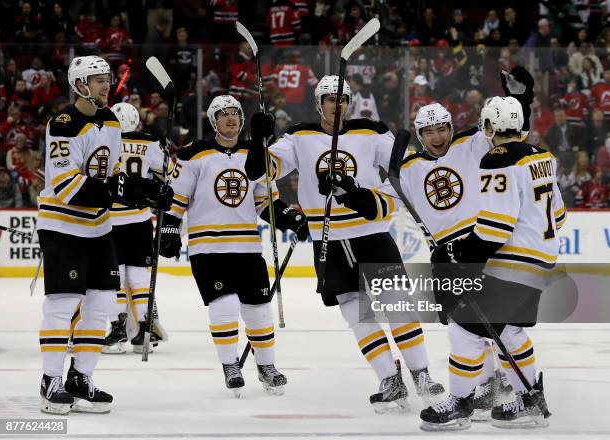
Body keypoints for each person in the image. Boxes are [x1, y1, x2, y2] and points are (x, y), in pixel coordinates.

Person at [319, 67, 535, 422]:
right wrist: (349, 192)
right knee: (461, 325)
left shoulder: (474, 142)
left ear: (452, 127)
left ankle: (516, 391)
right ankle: (486, 387)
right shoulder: (409, 168)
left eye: (442, 129)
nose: (437, 137)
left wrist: (521, 99)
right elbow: (379, 204)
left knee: (495, 324)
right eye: (429, 131)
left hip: (482, 247)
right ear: (419, 134)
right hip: (445, 255)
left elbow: (509, 133)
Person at [244, 75, 444, 413]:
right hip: (330, 241)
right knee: (356, 314)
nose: (338, 105)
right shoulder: (299, 136)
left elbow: (405, 172)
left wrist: (366, 197)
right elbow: (258, 172)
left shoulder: (372, 131)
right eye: (330, 99)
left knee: (398, 306)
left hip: (372, 235)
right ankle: (388, 378)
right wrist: (258, 140)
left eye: (343, 99)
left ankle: (421, 374)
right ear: (319, 103)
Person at [37, 55, 171, 415]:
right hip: (63, 225)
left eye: (107, 79)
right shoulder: (63, 124)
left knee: (100, 307)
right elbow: (68, 186)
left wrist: (147, 189)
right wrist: (124, 190)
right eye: (98, 79)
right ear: (79, 84)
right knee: (63, 303)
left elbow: (110, 175)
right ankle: (50, 380)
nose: (105, 85)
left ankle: (81, 378)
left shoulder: (111, 121)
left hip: (99, 227)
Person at [427, 96, 564, 429]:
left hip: (513, 261)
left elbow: (495, 229)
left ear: (488, 127)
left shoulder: (496, 159)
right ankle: (529, 399)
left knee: (463, 323)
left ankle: (459, 402)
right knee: (508, 329)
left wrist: (458, 252)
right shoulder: (542, 156)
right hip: (541, 258)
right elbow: (558, 215)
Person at [159, 95, 307, 397]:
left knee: (259, 311)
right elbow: (175, 200)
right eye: (224, 115)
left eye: (236, 114)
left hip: (247, 248)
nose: (231, 119)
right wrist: (169, 230)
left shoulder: (255, 156)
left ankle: (267, 367)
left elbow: (266, 203)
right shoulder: (194, 154)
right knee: (224, 306)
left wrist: (291, 219)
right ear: (214, 121)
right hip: (207, 249)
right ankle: (230, 365)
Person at [102, 102, 171, 354]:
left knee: (115, 277)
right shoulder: (150, 142)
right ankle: (144, 329)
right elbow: (168, 173)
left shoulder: (105, 141)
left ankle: (119, 328)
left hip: (110, 221)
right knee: (139, 277)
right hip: (140, 220)